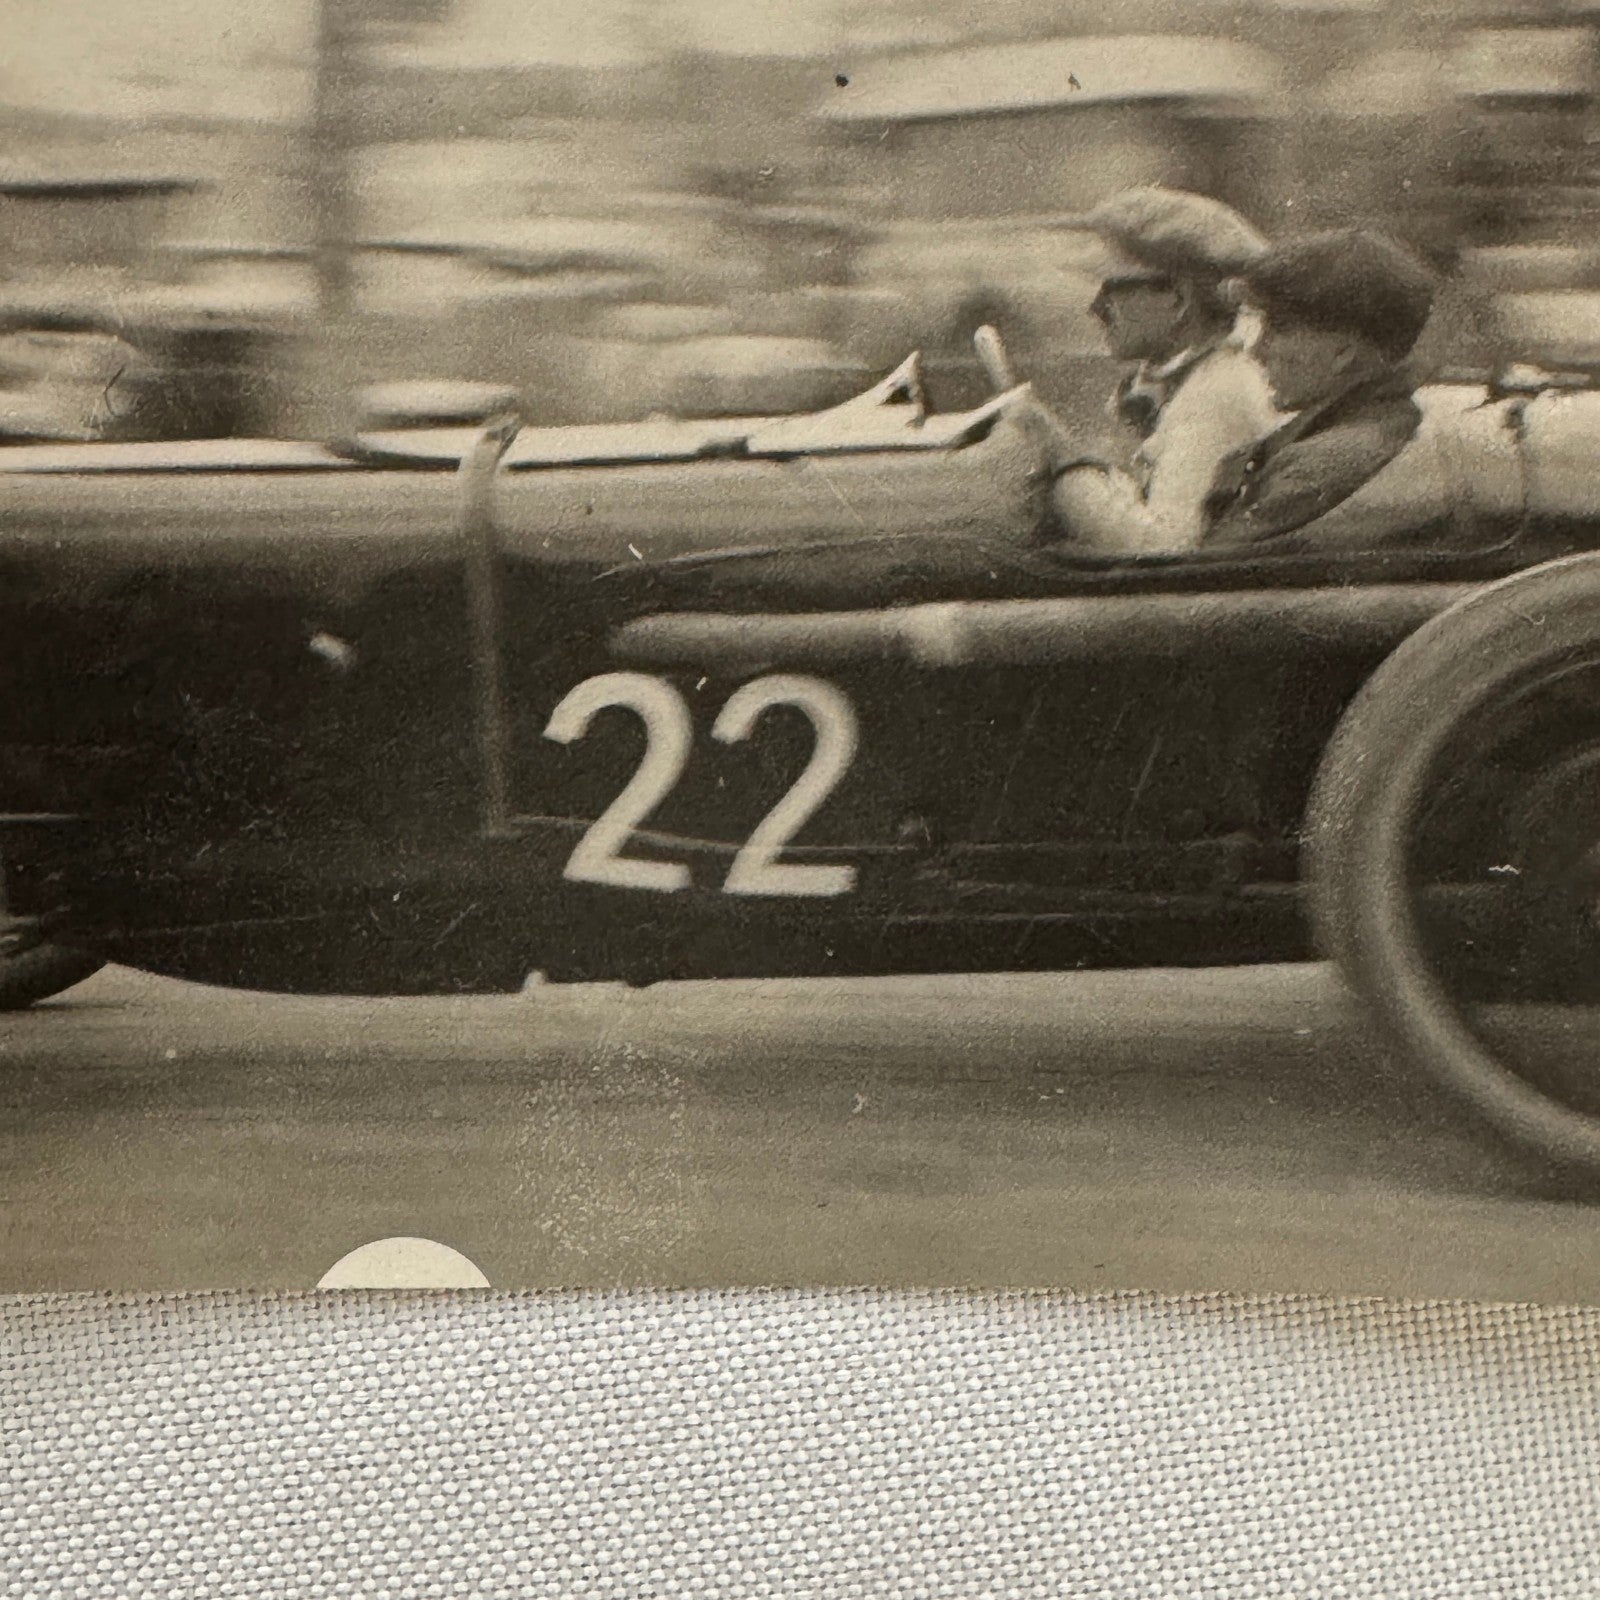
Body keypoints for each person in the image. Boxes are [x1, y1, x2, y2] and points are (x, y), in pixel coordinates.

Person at [1034, 186, 1282, 553]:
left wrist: (1062, 459)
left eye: (1113, 289)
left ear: (1179, 300)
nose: (1096, 308)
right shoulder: (1202, 376)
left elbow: (1161, 546)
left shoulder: (1217, 393)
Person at [1198, 229, 1439, 549]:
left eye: (1279, 328)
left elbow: (1209, 579)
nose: (1257, 349)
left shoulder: (1313, 468)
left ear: (1342, 352)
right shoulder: (1379, 426)